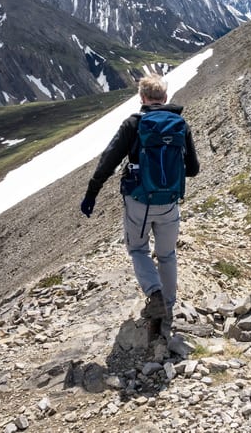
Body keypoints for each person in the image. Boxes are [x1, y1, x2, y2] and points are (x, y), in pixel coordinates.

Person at [80, 74, 199, 335]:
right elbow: (193, 169)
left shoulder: (134, 123)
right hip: (169, 202)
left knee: (138, 250)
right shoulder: (180, 123)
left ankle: (153, 292)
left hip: (139, 201)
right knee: (167, 255)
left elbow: (108, 161)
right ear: (165, 98)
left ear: (142, 98)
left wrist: (92, 192)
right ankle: (167, 309)